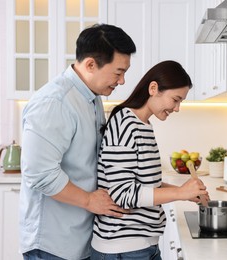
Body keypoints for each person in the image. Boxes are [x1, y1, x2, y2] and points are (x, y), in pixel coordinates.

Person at [19, 24, 136, 260]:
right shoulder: (55, 102)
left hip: (78, 239)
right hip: (52, 244)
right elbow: (39, 173)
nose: (122, 81)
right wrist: (90, 200)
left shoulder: (91, 98)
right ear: (91, 64)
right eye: (118, 72)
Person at [90, 60, 209, 260]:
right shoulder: (124, 124)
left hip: (141, 246)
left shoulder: (143, 125)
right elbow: (122, 193)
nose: (177, 108)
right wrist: (179, 193)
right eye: (176, 99)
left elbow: (146, 183)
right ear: (153, 88)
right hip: (122, 248)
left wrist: (185, 194)